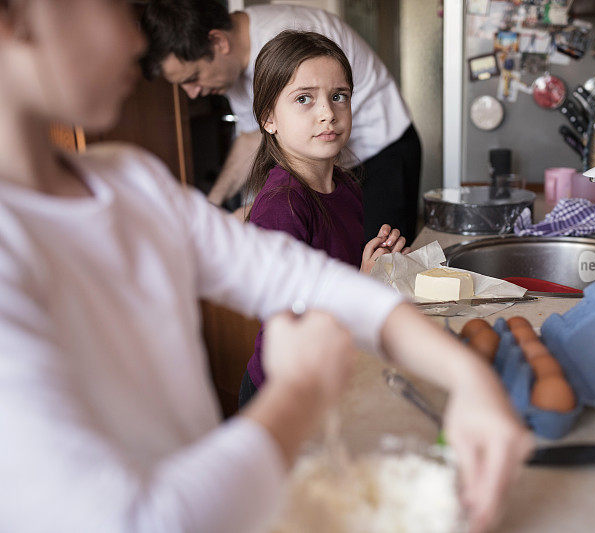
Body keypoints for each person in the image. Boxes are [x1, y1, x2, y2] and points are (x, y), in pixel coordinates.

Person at [0, 1, 533, 532]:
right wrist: (299, 393)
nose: (138, 42)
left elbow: (304, 276)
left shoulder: (131, 180)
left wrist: (469, 380)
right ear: (14, 15)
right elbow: (132, 520)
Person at [141, 0, 422, 242]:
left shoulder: (291, 38)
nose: (192, 93)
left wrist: (257, 208)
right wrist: (213, 208)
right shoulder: (233, 71)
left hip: (383, 149)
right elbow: (252, 137)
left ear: (218, 42)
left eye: (193, 78)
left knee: (385, 263)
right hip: (327, 167)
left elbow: (320, 130)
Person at [237, 30, 411, 407]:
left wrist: (373, 264)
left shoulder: (345, 187)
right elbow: (293, 324)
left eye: (339, 96)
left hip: (328, 368)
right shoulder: (281, 207)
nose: (328, 113)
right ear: (269, 119)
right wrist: (364, 282)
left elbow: (335, 278)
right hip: (284, 392)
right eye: (304, 99)